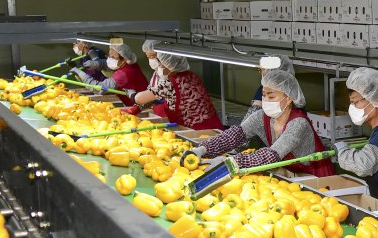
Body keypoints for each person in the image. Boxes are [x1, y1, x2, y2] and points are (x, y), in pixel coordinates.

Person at [181, 70, 335, 177]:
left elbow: (270, 155)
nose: (265, 100)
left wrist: (232, 162)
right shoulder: (262, 117)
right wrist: (202, 149)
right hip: (291, 176)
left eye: (271, 96)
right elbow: (235, 135)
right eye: (264, 95)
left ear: (288, 98)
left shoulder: (298, 124)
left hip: (316, 180)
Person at [334, 67, 378, 203]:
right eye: (351, 103)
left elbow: (364, 164)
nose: (352, 107)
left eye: (355, 102)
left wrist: (342, 152)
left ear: (374, 99)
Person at [126, 51, 223, 130]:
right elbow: (162, 98)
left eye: (162, 65)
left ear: (170, 66)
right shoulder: (191, 75)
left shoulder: (169, 84)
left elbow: (139, 98)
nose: (160, 68)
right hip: (213, 127)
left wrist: (131, 94)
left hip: (199, 132)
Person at [70, 40, 146, 106]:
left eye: (113, 57)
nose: (110, 59)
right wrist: (98, 64)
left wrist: (80, 73)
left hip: (138, 105)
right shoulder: (128, 63)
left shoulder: (122, 74)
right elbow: (109, 64)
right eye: (109, 55)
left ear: (124, 59)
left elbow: (100, 88)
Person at [242, 54, 296, 122]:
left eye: (263, 70)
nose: (261, 73)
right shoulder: (263, 89)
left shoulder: (296, 119)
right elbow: (248, 120)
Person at [122, 40, 167, 116]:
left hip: (170, 116)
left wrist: (134, 96)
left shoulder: (171, 77)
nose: (151, 60)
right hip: (160, 113)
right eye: (148, 57)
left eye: (153, 56)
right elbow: (151, 95)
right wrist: (138, 107)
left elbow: (154, 94)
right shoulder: (156, 73)